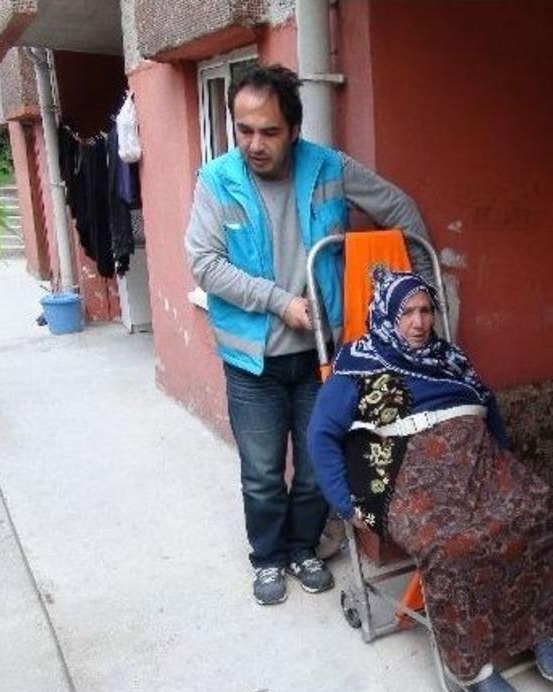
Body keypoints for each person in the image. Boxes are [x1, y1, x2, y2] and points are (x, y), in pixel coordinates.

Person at [185, 65, 434, 605]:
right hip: (252, 362)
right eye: (244, 130)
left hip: (324, 357)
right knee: (261, 472)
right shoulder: (216, 181)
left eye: (269, 132)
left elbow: (400, 210)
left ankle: (303, 549)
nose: (255, 144)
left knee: (319, 469)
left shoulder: (328, 167)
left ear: (294, 129)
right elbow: (205, 264)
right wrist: (280, 302)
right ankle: (268, 558)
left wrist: (421, 287)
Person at [307, 269, 553, 692]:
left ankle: (542, 629)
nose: (418, 322)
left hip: (478, 461)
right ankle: (471, 667)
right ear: (386, 316)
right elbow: (321, 435)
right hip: (411, 475)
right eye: (407, 313)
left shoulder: (450, 359)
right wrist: (344, 503)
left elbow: (488, 407)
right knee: (451, 543)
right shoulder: (357, 366)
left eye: (426, 310)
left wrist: (504, 468)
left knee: (534, 507)